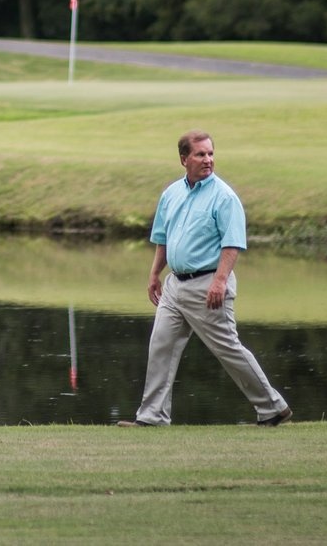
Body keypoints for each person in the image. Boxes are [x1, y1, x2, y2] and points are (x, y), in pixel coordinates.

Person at [121, 130, 291, 427]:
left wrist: (220, 281)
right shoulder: (171, 193)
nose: (208, 160)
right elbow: (163, 238)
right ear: (184, 159)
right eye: (200, 154)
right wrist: (154, 274)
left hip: (208, 284)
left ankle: (273, 408)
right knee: (161, 346)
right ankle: (152, 416)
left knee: (228, 349)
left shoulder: (224, 196)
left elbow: (232, 243)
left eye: (211, 154)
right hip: (175, 286)